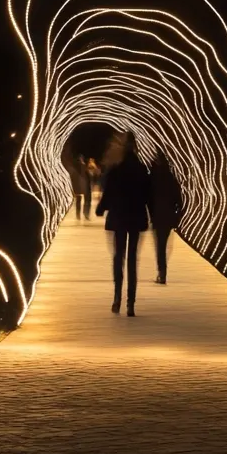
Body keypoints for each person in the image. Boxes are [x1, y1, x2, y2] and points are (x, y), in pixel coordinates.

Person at [95, 133, 150, 316]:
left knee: (119, 257)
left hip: (119, 218)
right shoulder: (142, 170)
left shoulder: (116, 170)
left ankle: (117, 297)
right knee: (133, 259)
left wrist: (101, 208)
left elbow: (108, 192)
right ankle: (131, 303)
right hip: (136, 218)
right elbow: (148, 195)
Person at [149, 150, 182, 284]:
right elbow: (178, 200)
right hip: (168, 217)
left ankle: (161, 272)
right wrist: (176, 213)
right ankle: (163, 271)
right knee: (164, 244)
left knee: (160, 246)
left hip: (157, 216)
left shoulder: (154, 179)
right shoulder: (171, 178)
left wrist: (150, 213)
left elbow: (148, 198)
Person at [70, 154, 91, 220]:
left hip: (80, 186)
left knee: (80, 201)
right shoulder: (83, 168)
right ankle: (84, 214)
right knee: (85, 200)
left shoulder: (76, 170)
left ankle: (79, 215)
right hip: (82, 186)